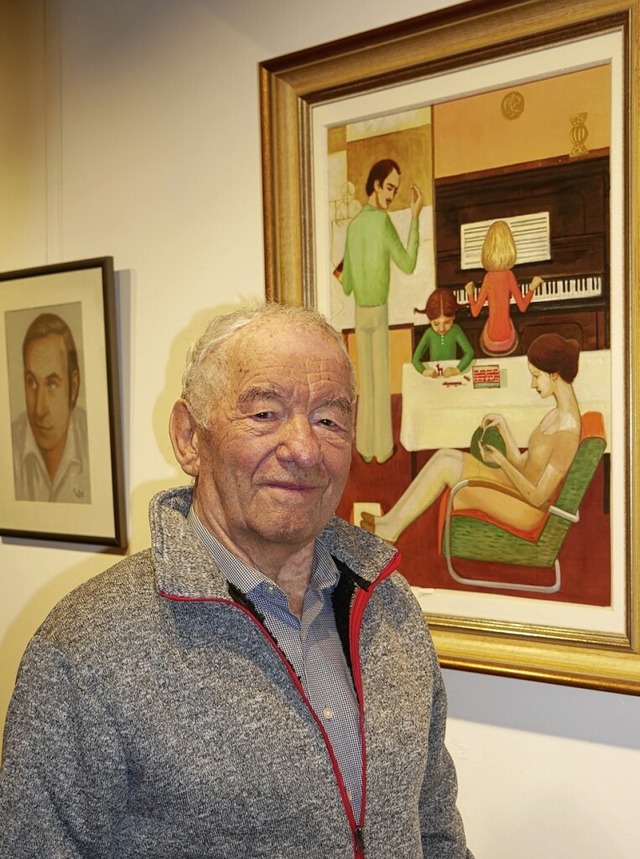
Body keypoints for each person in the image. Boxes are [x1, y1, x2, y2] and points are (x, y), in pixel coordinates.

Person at [0, 303, 473, 858]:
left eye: (328, 419)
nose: (303, 449)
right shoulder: (86, 649)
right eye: (264, 414)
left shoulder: (390, 604)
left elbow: (434, 824)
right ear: (188, 437)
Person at [362, 333, 581, 543]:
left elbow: (537, 497)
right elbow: (525, 464)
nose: (533, 384)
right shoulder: (556, 415)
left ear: (553, 374)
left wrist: (502, 462)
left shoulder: (567, 431)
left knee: (446, 467)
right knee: (444, 456)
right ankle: (388, 522)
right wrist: (503, 428)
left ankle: (390, 531)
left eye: (536, 376)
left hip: (525, 508)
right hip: (516, 488)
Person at [341, 158, 424, 464]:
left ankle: (364, 448)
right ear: (375, 185)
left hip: (360, 313)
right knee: (380, 380)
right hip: (379, 310)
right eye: (389, 187)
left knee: (366, 382)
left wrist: (353, 266)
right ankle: (382, 449)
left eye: (395, 189)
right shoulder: (382, 223)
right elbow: (408, 263)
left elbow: (346, 284)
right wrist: (415, 218)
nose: (392, 195)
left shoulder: (354, 227)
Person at [11, 311, 91, 503]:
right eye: (31, 383)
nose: (39, 409)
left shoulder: (93, 441)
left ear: (73, 387)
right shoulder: (10, 445)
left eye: (52, 384)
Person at [465, 220, 544, 357]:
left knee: (489, 321)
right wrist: (532, 287)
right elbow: (522, 307)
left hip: (490, 341)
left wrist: (470, 293)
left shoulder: (488, 277)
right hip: (508, 340)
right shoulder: (509, 275)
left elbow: (475, 312)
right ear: (509, 247)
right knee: (511, 321)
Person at [412, 288, 474, 378]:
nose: (441, 328)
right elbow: (415, 359)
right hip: (434, 377)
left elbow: (469, 352)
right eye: (436, 324)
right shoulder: (429, 333)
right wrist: (424, 371)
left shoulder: (456, 330)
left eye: (447, 322)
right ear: (430, 320)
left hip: (452, 375)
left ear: (453, 317)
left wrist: (457, 369)